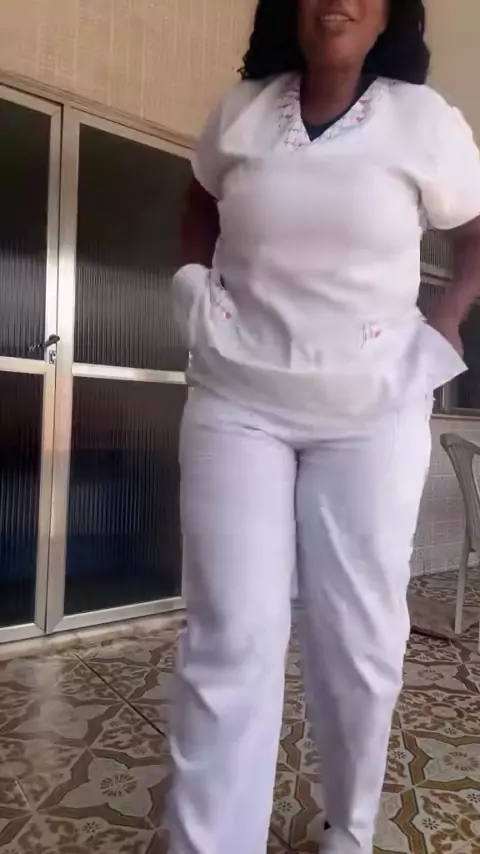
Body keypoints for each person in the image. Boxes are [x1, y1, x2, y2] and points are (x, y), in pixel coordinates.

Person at [169, 1, 480, 853]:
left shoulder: (424, 120)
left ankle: (350, 825)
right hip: (237, 402)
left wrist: (447, 317)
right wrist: (193, 283)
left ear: (389, 14)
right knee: (231, 633)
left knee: (357, 633)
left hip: (371, 413)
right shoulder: (241, 112)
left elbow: (475, 233)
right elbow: (199, 202)